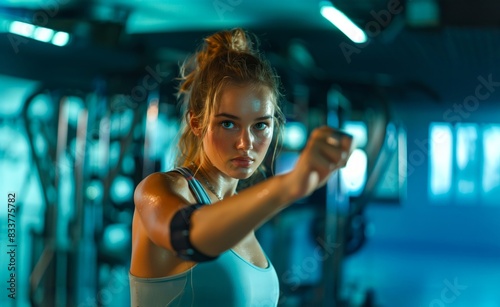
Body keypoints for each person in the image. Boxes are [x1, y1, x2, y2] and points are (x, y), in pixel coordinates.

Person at [129, 28, 353, 307]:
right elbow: (189, 234)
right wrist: (289, 185)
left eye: (260, 125)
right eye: (228, 123)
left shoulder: (237, 211)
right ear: (197, 123)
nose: (245, 143)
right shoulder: (159, 189)